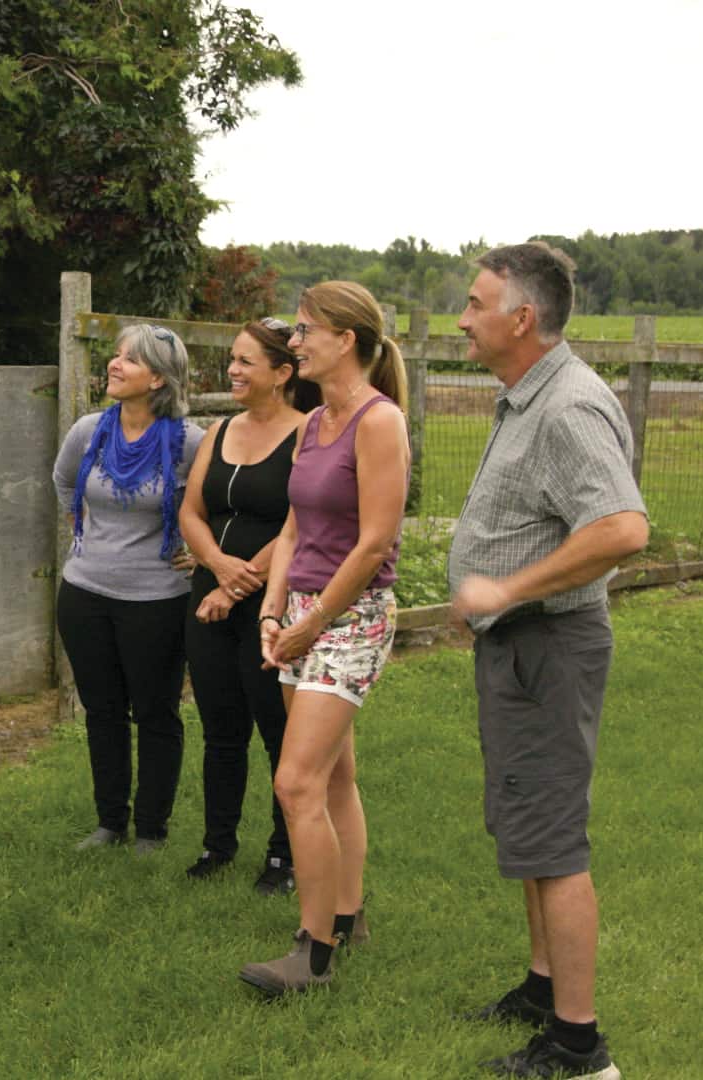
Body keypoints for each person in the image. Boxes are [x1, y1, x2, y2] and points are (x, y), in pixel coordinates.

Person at [449, 242, 645, 1080]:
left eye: (474, 302)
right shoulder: (525, 395)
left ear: (520, 319)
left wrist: (508, 589)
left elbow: (622, 529)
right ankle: (541, 987)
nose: (463, 318)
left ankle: (578, 1047)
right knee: (528, 827)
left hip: (547, 648)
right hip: (523, 650)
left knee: (554, 842)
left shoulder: (566, 407)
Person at [239, 281, 409, 998]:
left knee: (295, 781)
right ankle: (348, 912)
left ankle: (313, 956)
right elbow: (292, 529)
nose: (296, 340)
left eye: (307, 329)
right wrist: (274, 608)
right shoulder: (313, 425)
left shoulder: (380, 422)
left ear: (348, 339)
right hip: (303, 609)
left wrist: (314, 621)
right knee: (334, 776)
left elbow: (374, 545)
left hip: (354, 615)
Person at [53, 323, 204, 855]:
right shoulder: (89, 430)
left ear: (159, 379)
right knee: (103, 710)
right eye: (115, 355)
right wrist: (87, 531)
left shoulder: (191, 443)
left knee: (156, 713)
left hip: (157, 601)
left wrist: (194, 547)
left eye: (129, 360)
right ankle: (110, 822)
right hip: (85, 593)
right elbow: (65, 481)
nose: (114, 364)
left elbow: (211, 508)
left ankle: (152, 830)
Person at [177, 317, 314, 892]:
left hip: (270, 608)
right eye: (231, 360)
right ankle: (218, 844)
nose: (232, 370)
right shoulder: (219, 430)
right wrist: (216, 567)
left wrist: (235, 585)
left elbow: (299, 522)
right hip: (207, 601)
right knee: (220, 729)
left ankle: (283, 857)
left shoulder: (309, 434)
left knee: (278, 730)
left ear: (282, 374)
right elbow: (190, 512)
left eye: (245, 362)